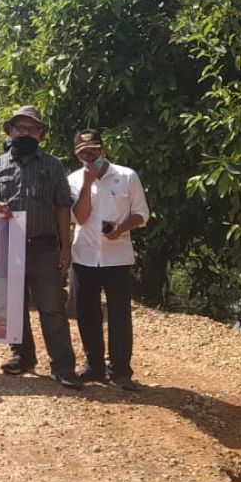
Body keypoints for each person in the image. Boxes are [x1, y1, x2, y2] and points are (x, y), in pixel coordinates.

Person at [0, 105, 80, 388]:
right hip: (8, 247)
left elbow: (62, 206)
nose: (24, 132)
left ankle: (62, 365)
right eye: (19, 128)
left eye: (30, 129)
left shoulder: (53, 165)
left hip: (44, 246)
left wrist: (65, 247)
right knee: (14, 306)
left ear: (40, 134)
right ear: (10, 131)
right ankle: (22, 356)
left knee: (52, 307)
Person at [67, 128, 149, 391]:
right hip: (84, 256)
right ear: (77, 155)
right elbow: (78, 218)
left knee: (119, 315)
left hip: (117, 257)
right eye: (84, 153)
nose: (90, 157)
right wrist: (89, 183)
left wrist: (121, 228)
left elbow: (141, 214)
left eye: (94, 151)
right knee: (86, 312)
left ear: (104, 149)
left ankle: (121, 371)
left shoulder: (127, 176)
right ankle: (94, 366)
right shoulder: (74, 180)